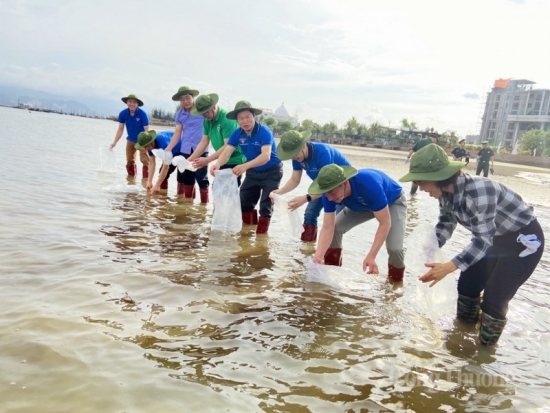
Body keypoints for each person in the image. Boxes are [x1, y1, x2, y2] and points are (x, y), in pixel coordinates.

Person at [399, 143, 544, 345]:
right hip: (495, 239)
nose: (421, 189)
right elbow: (446, 222)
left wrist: (448, 267)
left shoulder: (478, 191)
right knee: (467, 285)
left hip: (523, 242)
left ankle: (485, 351)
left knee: (495, 299)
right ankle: (462, 341)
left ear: (437, 178)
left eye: (421, 182)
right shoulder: (446, 194)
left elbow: (482, 241)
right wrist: (433, 244)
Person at [309, 164, 407, 282]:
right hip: (361, 205)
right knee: (335, 228)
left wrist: (371, 256)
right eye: (326, 194)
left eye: (332, 193)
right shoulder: (328, 194)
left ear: (345, 183)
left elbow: (385, 223)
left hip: (392, 201)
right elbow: (327, 227)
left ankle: (395, 283)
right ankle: (332, 273)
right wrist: (318, 256)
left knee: (395, 248)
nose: (329, 198)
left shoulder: (368, 184)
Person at [211, 101, 283, 235]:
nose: (245, 121)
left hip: (272, 172)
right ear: (237, 120)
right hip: (253, 172)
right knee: (243, 203)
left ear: (254, 116)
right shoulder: (237, 133)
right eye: (241, 118)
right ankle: (247, 235)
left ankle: (261, 235)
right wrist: (217, 164)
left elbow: (265, 156)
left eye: (248, 117)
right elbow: (227, 152)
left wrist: (244, 166)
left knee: (265, 206)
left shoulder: (264, 132)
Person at [271, 129, 351, 242]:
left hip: (340, 190)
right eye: (291, 156)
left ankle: (329, 254)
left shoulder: (323, 152)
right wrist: (280, 192)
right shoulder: (297, 158)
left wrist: (306, 198)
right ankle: (307, 250)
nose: (293, 158)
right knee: (309, 215)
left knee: (334, 222)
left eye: (294, 154)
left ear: (303, 146)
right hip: (321, 187)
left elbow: (330, 184)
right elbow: (295, 179)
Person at [187, 93, 246, 186]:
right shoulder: (207, 120)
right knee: (217, 189)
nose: (205, 115)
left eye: (206, 112)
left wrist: (207, 160)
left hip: (234, 159)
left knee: (226, 191)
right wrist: (191, 158)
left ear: (214, 107)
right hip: (221, 160)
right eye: (202, 114)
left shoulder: (226, 119)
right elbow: (204, 141)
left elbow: (228, 145)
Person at [164, 86, 209, 202]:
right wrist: (168, 149)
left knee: (202, 178)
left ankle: (204, 205)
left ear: (193, 97)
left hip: (202, 148)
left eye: (188, 98)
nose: (185, 101)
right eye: (182, 99)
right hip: (185, 149)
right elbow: (177, 133)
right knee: (187, 178)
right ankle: (188, 205)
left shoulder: (202, 111)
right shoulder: (179, 114)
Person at [110, 94, 150, 178]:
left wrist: (147, 143)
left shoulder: (142, 114)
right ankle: (131, 180)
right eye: (130, 102)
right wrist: (114, 142)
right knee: (129, 161)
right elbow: (120, 129)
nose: (132, 104)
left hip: (142, 140)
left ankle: (146, 181)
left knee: (145, 161)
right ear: (126, 103)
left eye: (134, 102)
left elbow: (147, 130)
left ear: (137, 104)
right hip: (130, 140)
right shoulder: (123, 114)